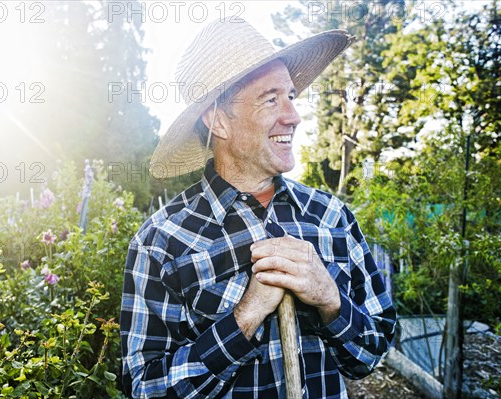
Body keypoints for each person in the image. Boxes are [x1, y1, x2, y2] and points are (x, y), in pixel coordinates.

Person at [120, 17, 396, 399]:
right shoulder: (162, 242)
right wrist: (244, 316)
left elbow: (372, 351)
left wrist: (331, 300)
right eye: (271, 98)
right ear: (218, 121)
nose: (294, 116)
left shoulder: (332, 218)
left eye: (292, 96)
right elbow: (146, 388)